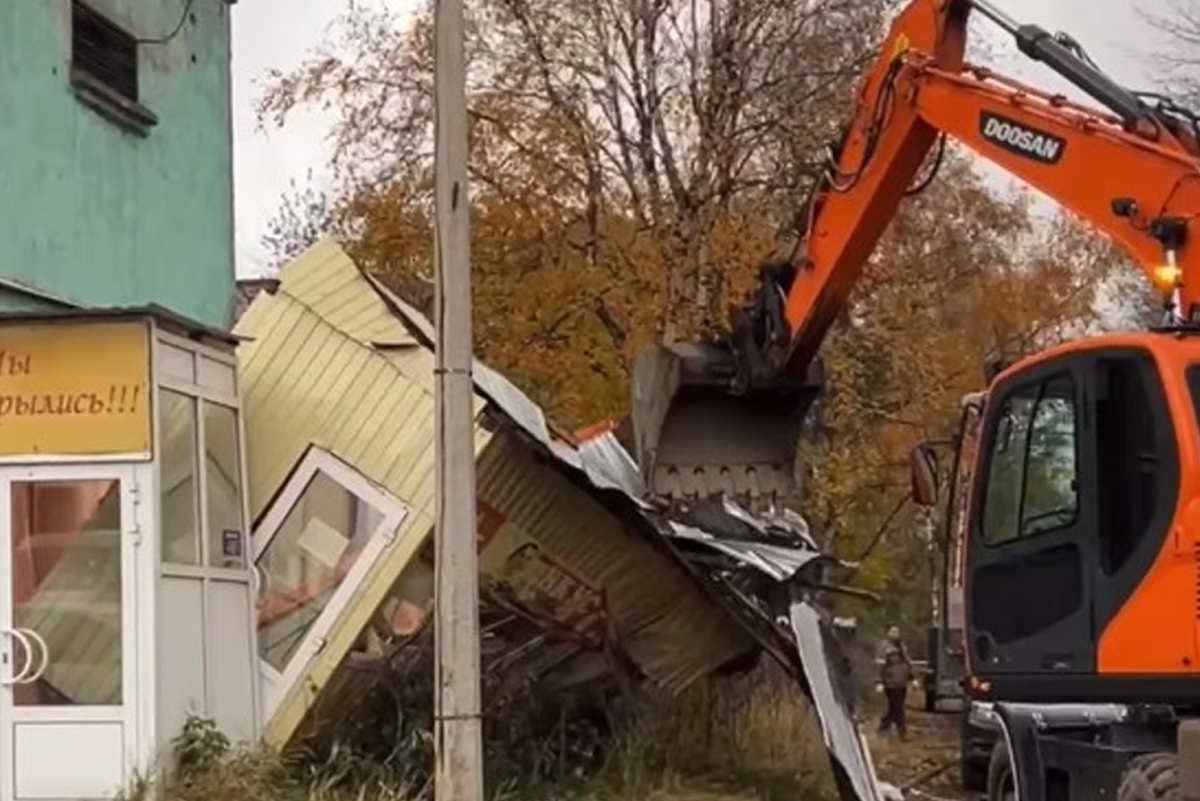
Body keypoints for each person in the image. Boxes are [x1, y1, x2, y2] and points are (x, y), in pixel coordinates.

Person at [877, 625, 912, 739]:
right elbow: (880, 665)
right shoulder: (884, 647)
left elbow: (907, 664)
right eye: (893, 632)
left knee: (894, 707)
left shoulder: (902, 647)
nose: (896, 634)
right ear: (889, 634)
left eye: (897, 632)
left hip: (901, 683)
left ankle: (883, 728)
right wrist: (879, 681)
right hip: (890, 683)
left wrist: (912, 678)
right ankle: (902, 732)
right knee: (898, 707)